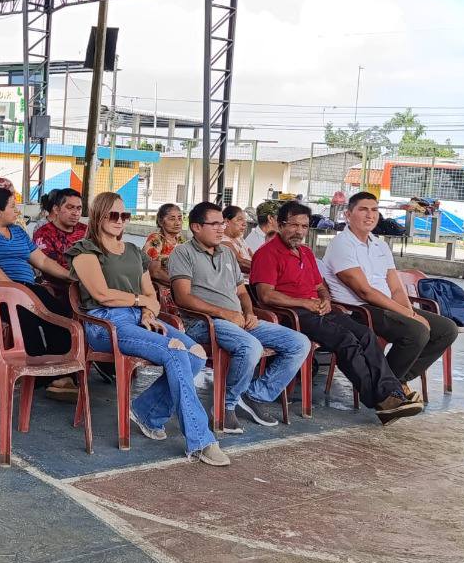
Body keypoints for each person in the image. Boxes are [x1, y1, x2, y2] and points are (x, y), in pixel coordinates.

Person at [67, 192, 229, 466]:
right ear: (98, 216)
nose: (120, 220)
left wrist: (146, 310)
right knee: (175, 351)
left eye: (125, 215)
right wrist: (140, 301)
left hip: (140, 317)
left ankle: (147, 411)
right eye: (114, 215)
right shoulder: (85, 250)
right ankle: (202, 440)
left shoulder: (133, 251)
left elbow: (151, 294)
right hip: (105, 323)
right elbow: (102, 295)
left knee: (196, 353)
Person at [249, 202, 423, 425]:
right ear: (280, 225)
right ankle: (381, 400)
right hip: (291, 315)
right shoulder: (267, 253)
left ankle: (392, 393)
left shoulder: (306, 252)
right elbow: (266, 296)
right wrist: (305, 303)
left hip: (317, 309)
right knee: (345, 340)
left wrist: (325, 299)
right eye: (293, 225)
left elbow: (319, 285)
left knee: (365, 334)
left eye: (304, 226)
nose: (299, 231)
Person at [169, 202, 310, 432]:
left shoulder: (227, 253)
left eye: (222, 224)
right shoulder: (183, 253)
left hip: (238, 320)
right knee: (251, 346)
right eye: (214, 224)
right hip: (204, 322)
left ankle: (255, 395)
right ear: (196, 227)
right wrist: (224, 313)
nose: (221, 229)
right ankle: (226, 405)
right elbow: (183, 298)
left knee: (299, 343)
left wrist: (249, 312)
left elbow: (242, 292)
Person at [322, 192, 458, 397]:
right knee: (416, 331)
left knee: (446, 329)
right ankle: (387, 389)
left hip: (385, 305)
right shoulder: (341, 244)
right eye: (363, 210)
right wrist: (410, 316)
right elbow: (365, 292)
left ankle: (393, 382)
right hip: (358, 310)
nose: (370, 215)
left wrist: (410, 311)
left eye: (374, 210)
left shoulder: (380, 244)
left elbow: (396, 288)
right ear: (348, 215)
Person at [0, 187, 77, 401]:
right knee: (26, 318)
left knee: (61, 314)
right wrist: (15, 291)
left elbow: (42, 260)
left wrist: (71, 277)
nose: (17, 211)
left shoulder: (17, 231)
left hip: (25, 288)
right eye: (13, 206)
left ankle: (59, 373)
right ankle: (38, 375)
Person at [32, 188, 87, 270]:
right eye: (70, 207)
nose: (76, 213)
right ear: (56, 209)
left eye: (79, 208)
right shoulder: (43, 234)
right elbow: (48, 267)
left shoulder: (86, 230)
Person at [142, 203, 185, 282]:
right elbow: (154, 272)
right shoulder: (156, 240)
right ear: (161, 222)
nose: (178, 223)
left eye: (179, 218)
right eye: (172, 219)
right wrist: (179, 283)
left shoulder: (180, 240)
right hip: (161, 286)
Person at [219, 204, 253, 273]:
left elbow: (252, 256)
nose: (244, 224)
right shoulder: (222, 241)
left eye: (245, 219)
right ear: (227, 221)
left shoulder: (239, 238)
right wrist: (263, 268)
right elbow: (241, 263)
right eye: (239, 219)